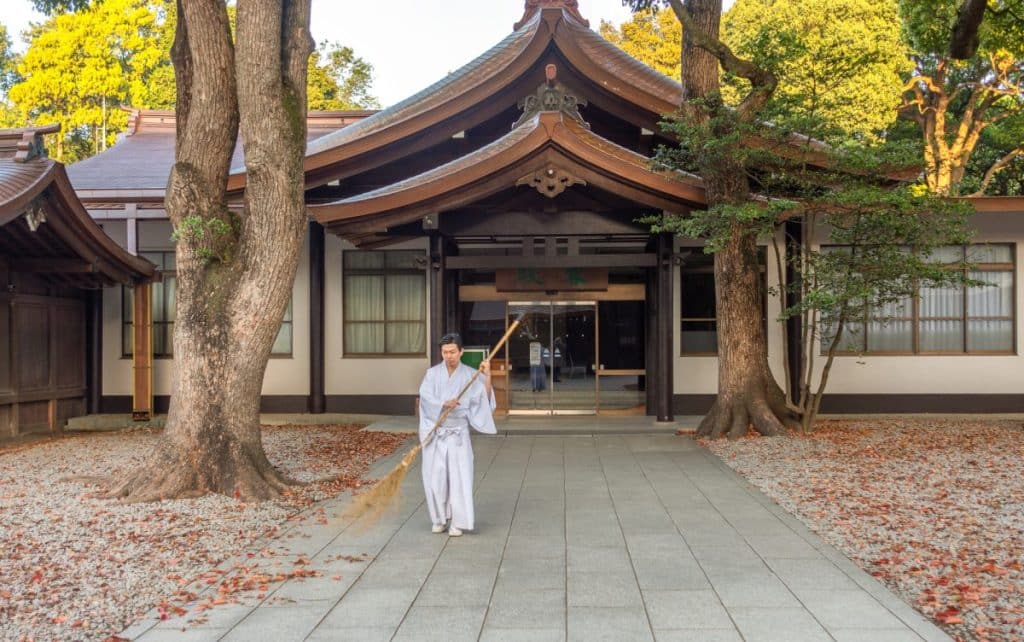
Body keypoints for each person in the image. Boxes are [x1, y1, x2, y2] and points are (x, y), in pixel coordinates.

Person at [418, 332, 497, 536]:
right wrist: (443, 403)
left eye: (452, 351)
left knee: (460, 478)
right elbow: (425, 399)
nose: (448, 356)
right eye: (445, 352)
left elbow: (484, 401)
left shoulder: (471, 374)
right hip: (437, 432)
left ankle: (458, 522)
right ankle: (439, 518)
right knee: (435, 479)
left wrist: (487, 375)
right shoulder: (432, 374)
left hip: (458, 434)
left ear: (461, 352)